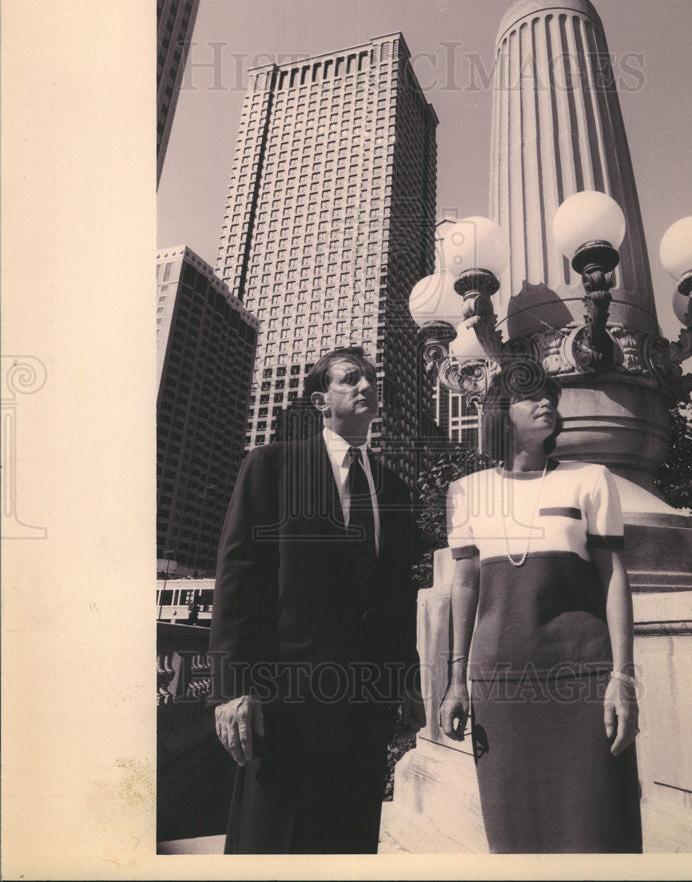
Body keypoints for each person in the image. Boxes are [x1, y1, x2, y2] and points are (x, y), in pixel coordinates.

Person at [210, 347, 425, 854]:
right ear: (319, 400)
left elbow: (397, 598)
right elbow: (239, 577)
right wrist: (233, 686)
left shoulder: (395, 489)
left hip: (363, 710)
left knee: (347, 844)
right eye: (351, 378)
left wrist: (407, 683)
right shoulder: (272, 465)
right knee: (272, 844)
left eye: (371, 378)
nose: (366, 385)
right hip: (283, 704)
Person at [438, 368, 642, 853]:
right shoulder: (464, 491)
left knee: (598, 827)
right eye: (528, 396)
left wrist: (623, 677)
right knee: (514, 833)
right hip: (501, 684)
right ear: (499, 413)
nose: (546, 402)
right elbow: (463, 584)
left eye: (550, 394)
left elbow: (613, 577)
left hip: (582, 676)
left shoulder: (592, 479)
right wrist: (454, 681)